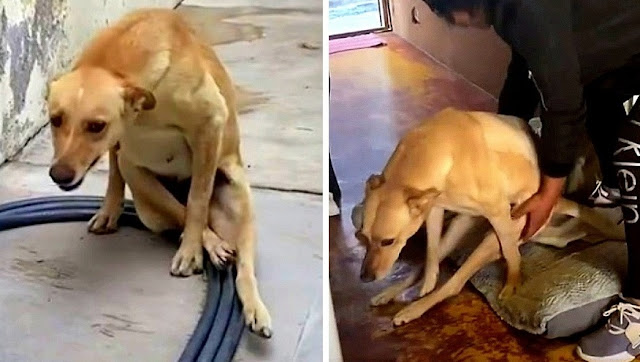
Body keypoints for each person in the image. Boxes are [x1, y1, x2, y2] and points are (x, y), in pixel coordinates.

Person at [422, 0, 640, 360]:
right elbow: (525, 75)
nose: (451, 22)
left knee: (634, 153)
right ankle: (618, 193)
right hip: (628, 56)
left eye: (446, 13)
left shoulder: (527, 6)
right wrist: (496, 137)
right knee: (595, 88)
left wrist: (550, 190)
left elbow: (562, 102)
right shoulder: (511, 13)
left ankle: (638, 306)